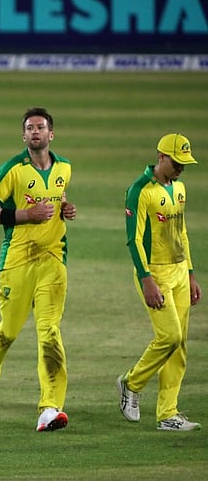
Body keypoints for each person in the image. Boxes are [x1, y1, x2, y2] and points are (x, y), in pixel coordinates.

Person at [0, 107, 76, 431]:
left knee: (50, 333)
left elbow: (57, 198)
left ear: (51, 134)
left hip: (53, 261)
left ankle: (50, 407)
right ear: (23, 136)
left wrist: (65, 208)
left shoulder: (65, 168)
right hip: (17, 261)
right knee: (8, 333)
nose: (35, 132)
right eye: (30, 128)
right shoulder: (12, 170)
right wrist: (26, 216)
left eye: (40, 127)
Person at [117, 133, 202, 432]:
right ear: (161, 157)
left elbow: (183, 233)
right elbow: (133, 239)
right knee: (170, 337)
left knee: (179, 348)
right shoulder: (140, 190)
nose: (180, 169)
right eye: (176, 163)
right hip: (155, 274)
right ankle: (131, 383)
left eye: (184, 164)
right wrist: (146, 279)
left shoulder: (179, 188)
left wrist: (190, 273)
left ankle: (168, 414)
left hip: (179, 273)